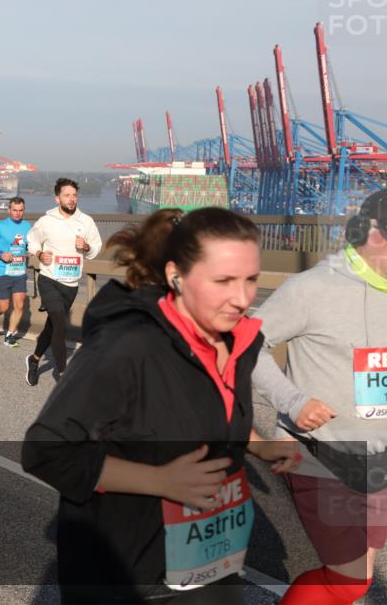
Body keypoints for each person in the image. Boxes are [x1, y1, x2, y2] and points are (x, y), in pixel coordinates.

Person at [22, 207, 301, 604]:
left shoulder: (241, 341)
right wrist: (161, 481)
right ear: (175, 275)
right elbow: (45, 451)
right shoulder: (128, 346)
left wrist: (257, 443)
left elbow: (207, 408)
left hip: (210, 564)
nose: (242, 299)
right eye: (223, 281)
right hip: (128, 575)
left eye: (251, 280)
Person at [251, 189, 387, 605]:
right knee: (347, 580)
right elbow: (245, 346)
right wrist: (293, 401)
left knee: (359, 574)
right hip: (323, 454)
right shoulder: (312, 289)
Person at [25, 178, 103, 386]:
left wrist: (86, 247)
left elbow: (96, 248)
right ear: (57, 198)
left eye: (74, 195)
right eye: (66, 195)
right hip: (49, 279)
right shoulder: (46, 221)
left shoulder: (86, 222)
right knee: (59, 321)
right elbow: (31, 240)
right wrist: (40, 253)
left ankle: (33, 360)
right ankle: (62, 374)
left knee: (52, 327)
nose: (71, 199)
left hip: (71, 283)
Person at [0, 197, 32, 348]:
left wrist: (32, 250)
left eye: (20, 210)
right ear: (9, 210)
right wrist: (0, 254)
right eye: (14, 210)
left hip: (19, 272)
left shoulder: (27, 226)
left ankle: (10, 335)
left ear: (23, 210)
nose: (17, 213)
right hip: (2, 271)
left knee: (19, 304)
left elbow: (29, 244)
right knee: (3, 307)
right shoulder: (0, 226)